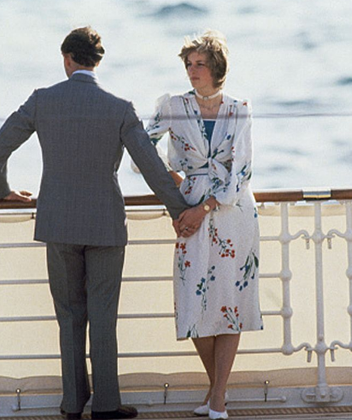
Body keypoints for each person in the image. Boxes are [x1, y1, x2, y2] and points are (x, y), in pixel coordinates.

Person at [0, 27, 192, 420]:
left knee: (69, 316)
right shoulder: (119, 107)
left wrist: (1, 191)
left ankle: (71, 403)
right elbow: (151, 167)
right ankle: (106, 404)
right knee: (103, 316)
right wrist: (179, 210)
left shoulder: (42, 100)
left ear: (67, 59)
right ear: (97, 62)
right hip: (105, 227)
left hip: (59, 224)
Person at [145, 30, 263, 420]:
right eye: (189, 64)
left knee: (230, 301)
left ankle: (217, 398)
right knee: (193, 301)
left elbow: (242, 170)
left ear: (217, 68)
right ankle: (218, 392)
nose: (192, 71)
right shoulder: (172, 105)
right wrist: (178, 187)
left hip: (233, 215)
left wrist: (208, 203)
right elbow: (142, 151)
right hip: (190, 210)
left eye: (200, 64)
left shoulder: (239, 108)